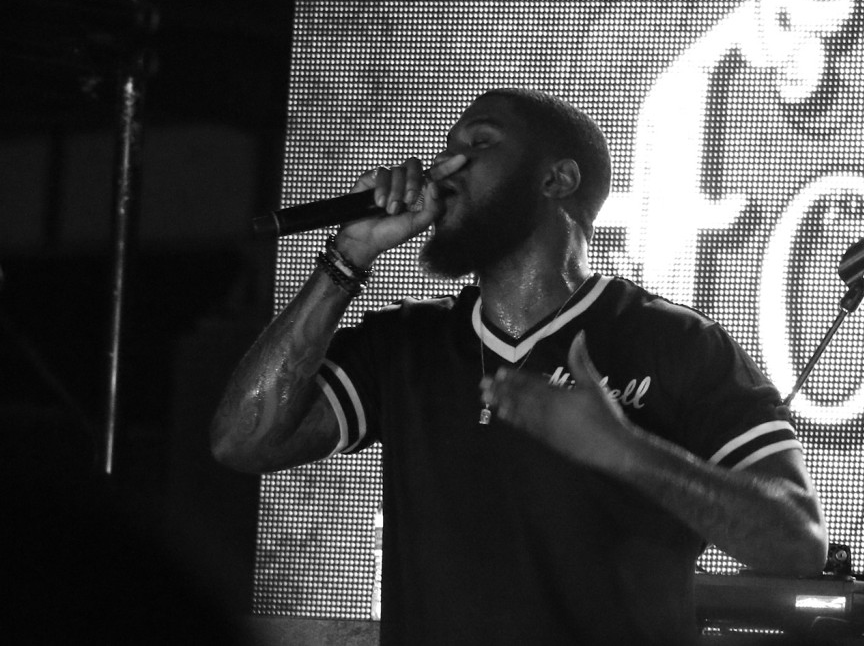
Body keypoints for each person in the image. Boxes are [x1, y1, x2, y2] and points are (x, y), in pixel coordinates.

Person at [210, 88, 828, 645]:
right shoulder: (406, 344)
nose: (444, 166)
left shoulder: (679, 344)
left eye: (479, 143)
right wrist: (347, 257)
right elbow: (241, 441)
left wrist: (624, 450)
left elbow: (797, 543)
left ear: (557, 178)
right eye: (446, 146)